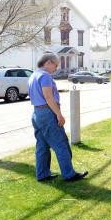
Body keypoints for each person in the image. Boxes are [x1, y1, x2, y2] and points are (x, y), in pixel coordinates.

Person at [28, 53, 88, 182]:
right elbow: (48, 97)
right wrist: (58, 114)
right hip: (48, 113)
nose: (56, 69)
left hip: (36, 114)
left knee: (42, 146)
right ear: (48, 62)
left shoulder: (33, 75)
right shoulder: (45, 76)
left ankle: (42, 174)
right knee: (61, 144)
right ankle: (69, 174)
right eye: (55, 65)